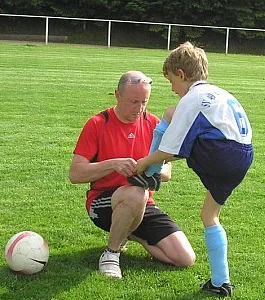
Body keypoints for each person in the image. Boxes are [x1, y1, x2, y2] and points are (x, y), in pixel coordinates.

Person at [133, 42, 254, 297]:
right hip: (243, 156)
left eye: (171, 82)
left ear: (181, 74)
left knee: (168, 118)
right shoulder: (219, 93)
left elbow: (171, 149)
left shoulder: (193, 98)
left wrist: (145, 163)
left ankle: (148, 173)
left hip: (221, 153)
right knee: (209, 215)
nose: (173, 89)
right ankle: (221, 282)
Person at [68, 70, 196, 279]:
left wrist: (148, 168)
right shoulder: (98, 124)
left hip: (143, 203)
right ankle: (111, 253)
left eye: (144, 102)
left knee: (184, 258)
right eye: (133, 102)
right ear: (118, 95)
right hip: (103, 203)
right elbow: (75, 174)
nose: (139, 108)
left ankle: (127, 230)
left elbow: (166, 171)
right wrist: (114, 165)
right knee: (136, 193)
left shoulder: (154, 124)